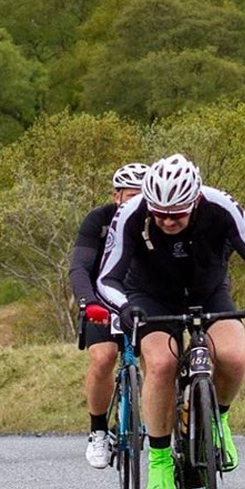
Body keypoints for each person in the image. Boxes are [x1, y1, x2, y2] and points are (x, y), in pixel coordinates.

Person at [96, 154, 245, 489]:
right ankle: (161, 458)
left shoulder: (221, 206)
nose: (166, 220)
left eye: (177, 213)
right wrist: (123, 307)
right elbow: (107, 278)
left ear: (195, 200)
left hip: (209, 292)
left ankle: (219, 421)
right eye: (160, 213)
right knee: (162, 364)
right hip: (148, 297)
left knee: (233, 357)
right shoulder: (131, 213)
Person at [75, 162, 148, 469]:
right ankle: (98, 430)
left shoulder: (158, 221)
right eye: (130, 196)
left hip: (144, 301)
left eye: (143, 196)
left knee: (160, 362)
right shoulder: (98, 220)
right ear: (115, 195)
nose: (137, 203)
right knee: (103, 357)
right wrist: (88, 301)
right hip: (102, 302)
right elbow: (80, 266)